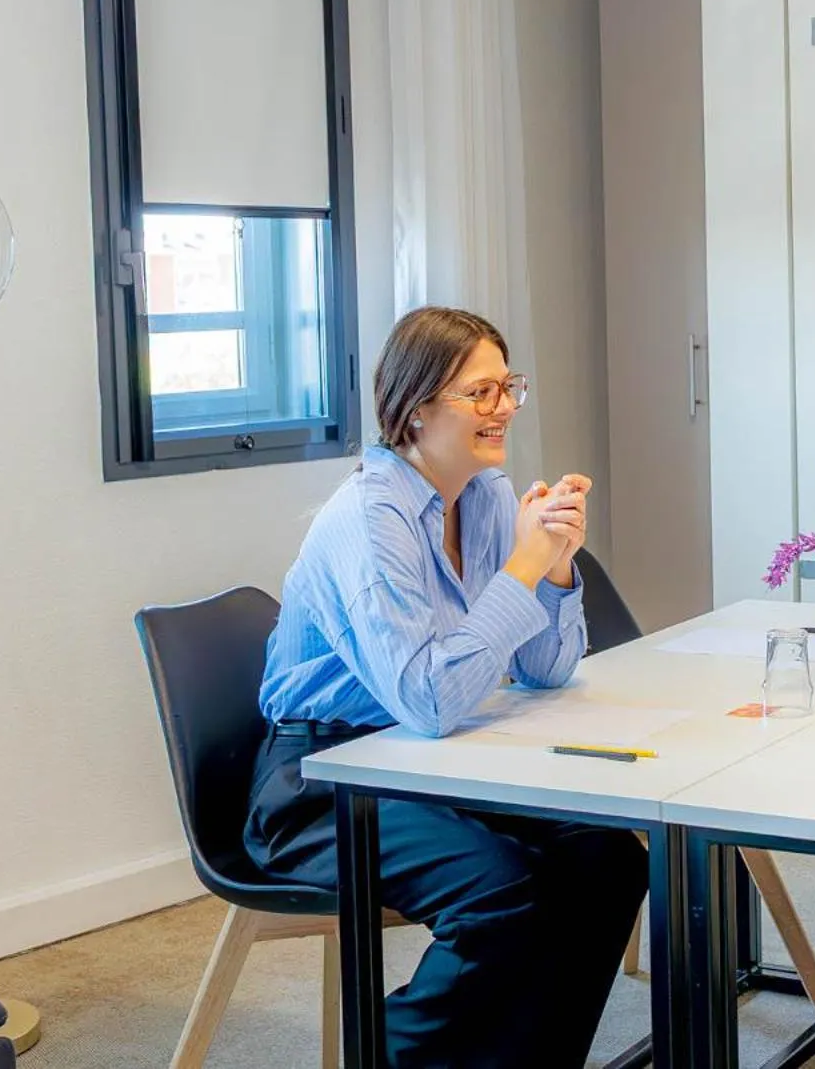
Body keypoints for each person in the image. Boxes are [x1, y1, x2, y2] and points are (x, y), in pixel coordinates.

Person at [244, 306, 647, 1069]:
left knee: (610, 862)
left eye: (507, 387)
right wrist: (524, 569)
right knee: (499, 893)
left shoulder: (488, 496)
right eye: (480, 392)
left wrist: (556, 563)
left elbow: (544, 670)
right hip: (322, 778)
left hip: (434, 756)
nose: (503, 409)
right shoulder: (369, 519)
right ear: (418, 406)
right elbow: (427, 699)